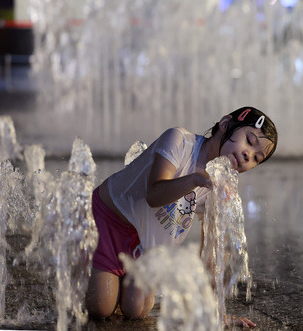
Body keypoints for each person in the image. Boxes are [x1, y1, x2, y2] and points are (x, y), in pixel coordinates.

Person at [85, 106, 277, 327]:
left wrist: (215, 312)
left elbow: (212, 254)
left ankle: (112, 276)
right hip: (108, 219)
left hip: (143, 241)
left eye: (256, 157)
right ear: (225, 123)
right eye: (249, 141)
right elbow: (154, 195)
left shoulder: (219, 185)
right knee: (102, 307)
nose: (247, 155)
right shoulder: (179, 141)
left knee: (136, 310)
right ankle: (86, 266)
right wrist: (195, 180)